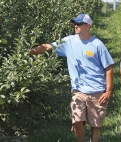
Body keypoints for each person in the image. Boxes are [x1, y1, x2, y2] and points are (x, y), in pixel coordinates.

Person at [30, 13, 114, 142]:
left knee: (95, 125)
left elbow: (108, 68)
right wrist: (28, 52)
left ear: (88, 25)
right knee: (77, 121)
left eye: (79, 23)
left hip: (96, 91)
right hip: (77, 90)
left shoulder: (97, 44)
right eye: (75, 23)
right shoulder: (68, 41)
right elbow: (48, 46)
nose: (75, 25)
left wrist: (108, 91)